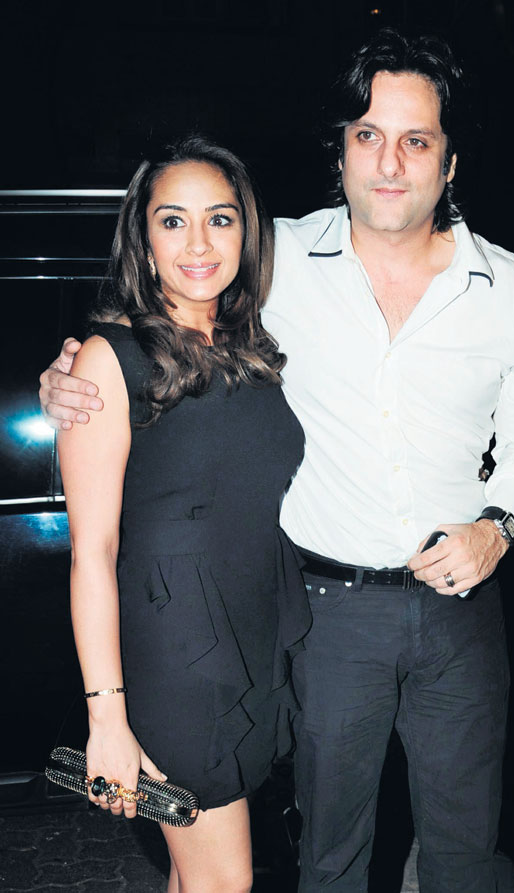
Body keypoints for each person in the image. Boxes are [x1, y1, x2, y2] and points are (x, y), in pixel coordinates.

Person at [41, 28, 514, 893]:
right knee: (329, 858)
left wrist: (497, 526)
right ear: (343, 151)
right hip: (327, 619)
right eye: (368, 135)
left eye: (416, 140)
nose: (389, 162)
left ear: (450, 161)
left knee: (469, 854)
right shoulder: (273, 259)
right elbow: (166, 305)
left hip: (462, 616)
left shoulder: (511, 292)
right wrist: (70, 371)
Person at [55, 136, 310, 893]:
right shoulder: (109, 358)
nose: (199, 243)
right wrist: (107, 717)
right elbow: (92, 553)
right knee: (224, 881)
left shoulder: (255, 345)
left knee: (195, 874)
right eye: (173, 221)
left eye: (219, 219)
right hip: (178, 655)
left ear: (246, 230)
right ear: (142, 237)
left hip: (254, 630)